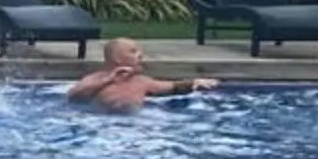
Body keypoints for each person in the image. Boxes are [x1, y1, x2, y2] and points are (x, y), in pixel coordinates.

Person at [66, 39, 222, 114]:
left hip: (134, 121)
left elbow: (172, 87)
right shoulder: (97, 78)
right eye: (133, 52)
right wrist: (108, 80)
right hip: (101, 120)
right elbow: (73, 96)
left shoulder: (142, 82)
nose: (140, 55)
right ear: (117, 58)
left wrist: (195, 82)